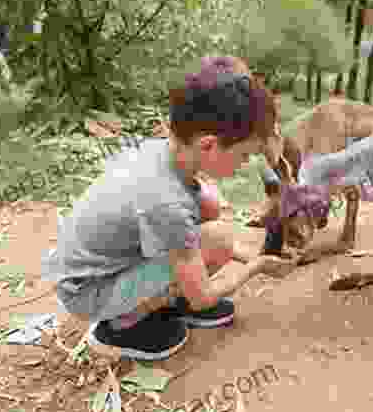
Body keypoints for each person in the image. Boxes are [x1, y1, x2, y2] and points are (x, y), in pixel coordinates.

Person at [42, 66, 298, 361]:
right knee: (217, 239)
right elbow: (203, 296)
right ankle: (121, 326)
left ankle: (167, 299)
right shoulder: (167, 202)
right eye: (244, 155)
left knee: (210, 207)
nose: (245, 164)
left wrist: (250, 256)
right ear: (208, 145)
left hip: (94, 267)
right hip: (89, 292)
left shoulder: (162, 152)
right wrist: (258, 266)